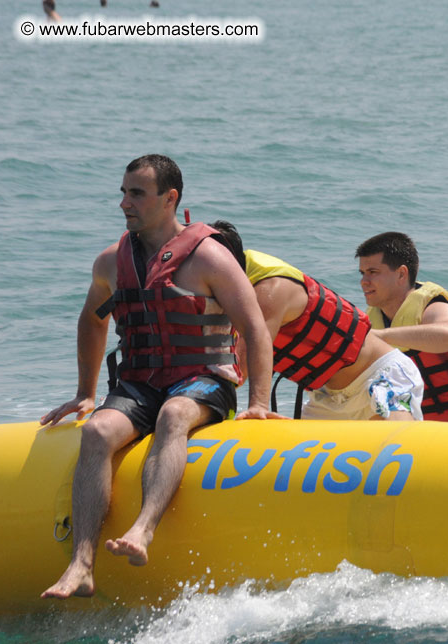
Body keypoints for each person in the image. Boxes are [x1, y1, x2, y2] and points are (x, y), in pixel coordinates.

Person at [39, 155, 276, 600]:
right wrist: (84, 394)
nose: (125, 203)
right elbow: (92, 321)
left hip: (201, 380)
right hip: (139, 383)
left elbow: (255, 328)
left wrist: (259, 402)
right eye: (123, 192)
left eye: (137, 193)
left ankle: (143, 530)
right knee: (97, 432)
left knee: (174, 415)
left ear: (170, 199)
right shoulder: (111, 262)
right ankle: (81, 564)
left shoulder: (210, 257)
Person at [210, 221, 424, 422]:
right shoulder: (232, 298)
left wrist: (251, 407)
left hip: (381, 377)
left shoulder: (269, 289)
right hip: (328, 398)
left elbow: (240, 365)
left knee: (395, 449)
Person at [355, 232, 448, 424]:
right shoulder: (374, 318)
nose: (364, 281)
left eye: (373, 272)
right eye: (362, 273)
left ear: (401, 274)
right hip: (417, 430)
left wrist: (381, 336)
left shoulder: (433, 307)